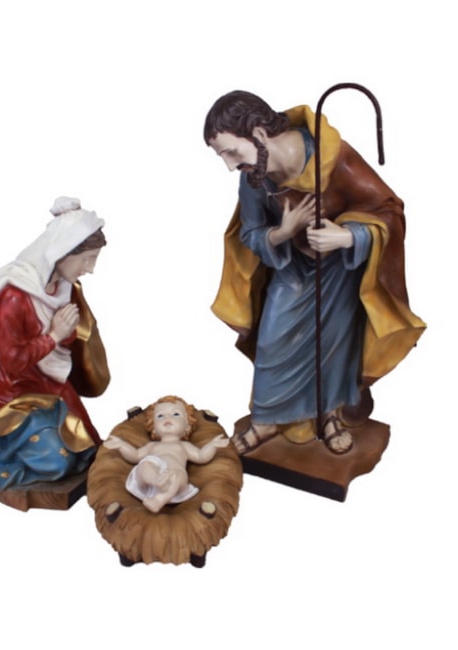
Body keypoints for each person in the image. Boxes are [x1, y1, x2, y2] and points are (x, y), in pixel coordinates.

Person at [204, 91, 425, 455]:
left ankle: (329, 416)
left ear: (258, 134)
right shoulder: (254, 178)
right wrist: (282, 232)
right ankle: (265, 420)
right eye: (222, 156)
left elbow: (389, 211)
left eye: (231, 152)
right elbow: (250, 232)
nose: (230, 165)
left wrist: (346, 236)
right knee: (273, 341)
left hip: (338, 273)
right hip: (289, 270)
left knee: (334, 345)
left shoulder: (333, 157)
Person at [0, 196, 110, 496]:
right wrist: (54, 336)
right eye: (87, 259)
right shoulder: (14, 297)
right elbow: (12, 362)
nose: (90, 268)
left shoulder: (65, 287)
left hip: (44, 378)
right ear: (62, 253)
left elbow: (72, 335)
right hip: (9, 389)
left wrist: (64, 334)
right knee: (56, 464)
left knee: (85, 451)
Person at [104, 396, 229, 513]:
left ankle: (160, 499)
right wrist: (121, 445)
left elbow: (201, 456)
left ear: (187, 425)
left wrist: (213, 445)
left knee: (178, 474)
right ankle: (158, 482)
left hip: (173, 482)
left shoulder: (183, 446)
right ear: (153, 427)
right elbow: (135, 456)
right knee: (146, 463)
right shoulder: (153, 446)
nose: (167, 418)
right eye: (160, 416)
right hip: (151, 480)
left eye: (176, 414)